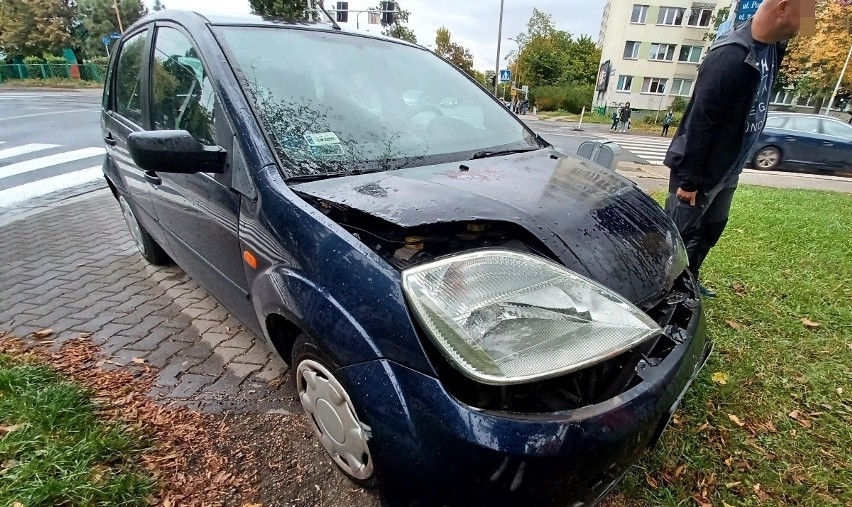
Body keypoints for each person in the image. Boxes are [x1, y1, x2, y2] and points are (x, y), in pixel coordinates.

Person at [663, 0, 803, 297]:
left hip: (730, 165)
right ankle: (663, 290)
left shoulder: (772, 48)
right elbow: (700, 122)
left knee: (712, 227)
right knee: (678, 234)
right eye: (805, 12)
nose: (809, 21)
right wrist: (690, 181)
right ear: (783, 7)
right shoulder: (728, 56)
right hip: (701, 170)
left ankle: (688, 283)